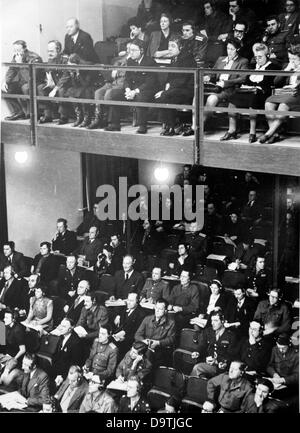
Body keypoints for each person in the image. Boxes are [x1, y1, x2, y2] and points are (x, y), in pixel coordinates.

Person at [222, 43, 279, 143]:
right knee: (233, 98)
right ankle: (232, 130)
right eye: (256, 57)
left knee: (253, 98)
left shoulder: (272, 66)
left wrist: (254, 84)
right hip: (249, 91)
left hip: (262, 94)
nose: (257, 59)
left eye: (260, 57)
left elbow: (267, 83)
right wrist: (253, 84)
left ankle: (252, 132)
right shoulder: (253, 66)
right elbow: (246, 81)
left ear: (267, 56)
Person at [105, 39, 157, 134]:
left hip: (146, 90)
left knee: (140, 97)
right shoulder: (130, 61)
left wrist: (135, 91)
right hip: (131, 89)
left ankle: (142, 125)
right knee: (113, 94)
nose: (131, 53)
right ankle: (114, 124)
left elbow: (150, 82)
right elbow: (127, 79)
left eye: (134, 50)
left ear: (141, 50)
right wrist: (128, 89)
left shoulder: (150, 62)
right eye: (130, 50)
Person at [154, 35, 196, 136]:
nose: (169, 49)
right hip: (177, 89)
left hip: (187, 90)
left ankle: (173, 126)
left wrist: (165, 91)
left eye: (173, 46)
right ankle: (172, 124)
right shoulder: (175, 58)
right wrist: (167, 86)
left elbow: (182, 81)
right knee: (160, 97)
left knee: (164, 96)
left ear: (180, 47)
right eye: (169, 46)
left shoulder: (187, 59)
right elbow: (171, 77)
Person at [203, 38, 249, 128]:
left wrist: (226, 83)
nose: (229, 51)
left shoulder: (243, 61)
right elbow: (213, 73)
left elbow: (242, 79)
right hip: (216, 87)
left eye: (232, 49)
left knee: (211, 99)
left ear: (238, 49)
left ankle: (199, 125)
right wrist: (208, 76)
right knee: (196, 96)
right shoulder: (221, 59)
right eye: (228, 48)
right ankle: (194, 124)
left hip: (229, 90)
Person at [260, 45, 300, 143]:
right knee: (268, 102)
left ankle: (268, 134)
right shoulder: (287, 66)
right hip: (286, 92)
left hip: (297, 93)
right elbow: (276, 82)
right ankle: (275, 134)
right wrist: (286, 71)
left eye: (294, 59)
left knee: (283, 105)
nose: (292, 61)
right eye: (290, 58)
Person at [87, 42, 131, 130]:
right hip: (113, 83)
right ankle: (98, 119)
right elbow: (112, 73)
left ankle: (108, 120)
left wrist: (117, 71)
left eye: (131, 49)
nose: (129, 51)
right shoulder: (121, 59)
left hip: (122, 85)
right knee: (98, 92)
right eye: (128, 49)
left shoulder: (133, 61)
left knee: (109, 94)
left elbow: (126, 74)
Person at [2, 40, 42, 121]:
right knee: (5, 90)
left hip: (34, 82)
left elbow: (30, 78)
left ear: (24, 49)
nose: (16, 52)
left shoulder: (34, 57)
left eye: (18, 50)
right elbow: (12, 69)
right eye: (15, 50)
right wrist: (5, 82)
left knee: (26, 88)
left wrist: (20, 64)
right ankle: (19, 112)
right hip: (22, 82)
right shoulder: (17, 56)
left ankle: (33, 114)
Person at [190, 310, 236, 379]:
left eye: (215, 321)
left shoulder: (230, 336)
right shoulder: (208, 331)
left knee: (197, 368)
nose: (212, 323)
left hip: (221, 367)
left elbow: (231, 355)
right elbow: (202, 346)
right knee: (199, 373)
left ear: (222, 321)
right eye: (212, 321)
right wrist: (197, 352)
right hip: (207, 363)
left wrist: (217, 361)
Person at [134, 298, 176, 367]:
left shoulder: (171, 323)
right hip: (144, 346)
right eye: (156, 307)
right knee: (131, 354)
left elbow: (171, 339)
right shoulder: (147, 318)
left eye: (160, 309)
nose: (157, 310)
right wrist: (144, 341)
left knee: (147, 357)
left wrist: (158, 343)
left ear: (165, 311)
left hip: (159, 349)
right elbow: (137, 334)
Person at [37, 40, 67, 124]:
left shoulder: (64, 60)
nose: (49, 53)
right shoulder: (51, 59)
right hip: (55, 83)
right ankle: (47, 115)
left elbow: (65, 77)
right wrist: (49, 80)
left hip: (65, 84)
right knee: (41, 88)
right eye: (48, 51)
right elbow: (48, 70)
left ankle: (63, 116)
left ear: (59, 50)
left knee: (61, 91)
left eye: (51, 51)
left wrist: (55, 89)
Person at [112, 292, 146, 360]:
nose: (128, 302)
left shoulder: (141, 314)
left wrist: (124, 338)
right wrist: (118, 316)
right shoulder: (126, 307)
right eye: (128, 300)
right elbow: (121, 314)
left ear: (137, 301)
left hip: (129, 341)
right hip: (119, 335)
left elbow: (137, 332)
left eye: (131, 301)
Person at [198, 1, 232, 67]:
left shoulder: (223, 18)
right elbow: (205, 36)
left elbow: (223, 35)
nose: (205, 10)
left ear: (213, 8)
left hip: (219, 47)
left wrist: (210, 38)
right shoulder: (206, 19)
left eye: (208, 7)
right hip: (209, 47)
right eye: (205, 8)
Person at [52, 318, 83, 384]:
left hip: (66, 374)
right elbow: (55, 355)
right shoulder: (62, 336)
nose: (60, 328)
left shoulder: (76, 343)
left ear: (71, 328)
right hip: (57, 370)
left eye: (64, 326)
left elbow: (74, 364)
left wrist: (62, 376)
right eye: (61, 325)